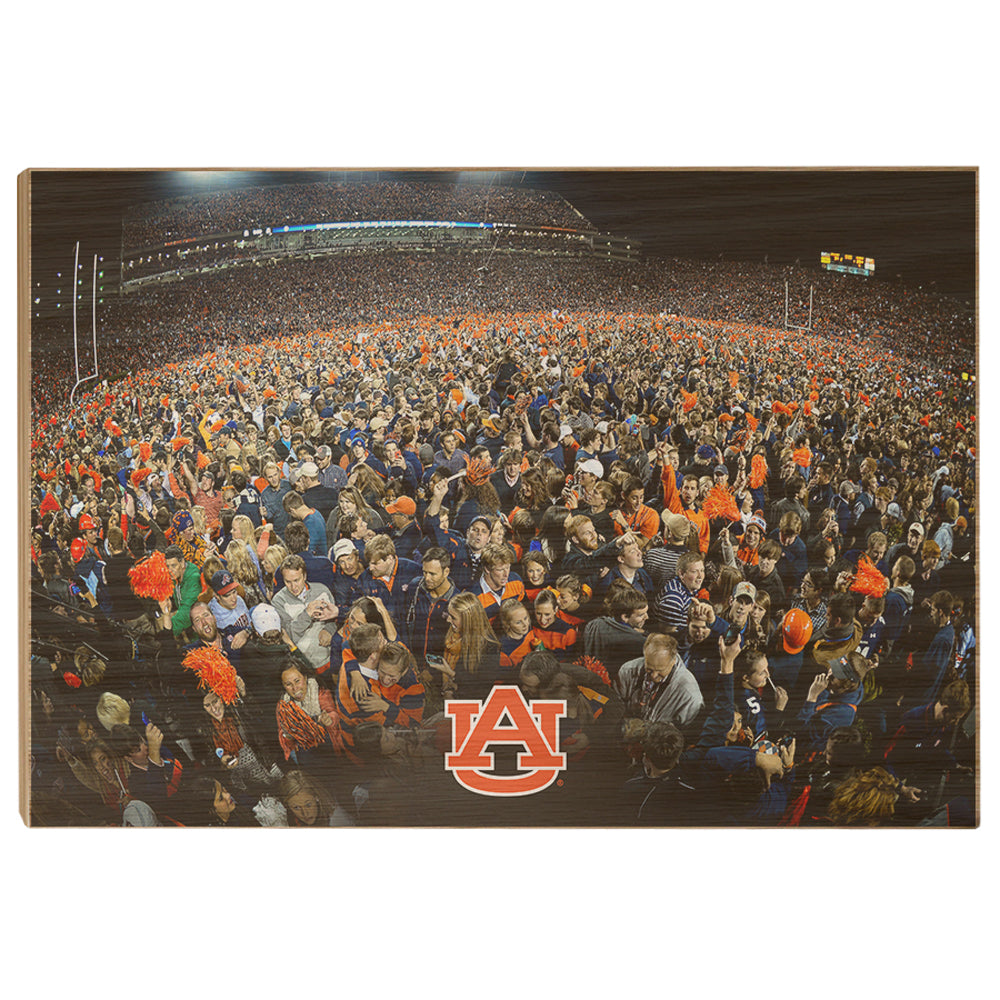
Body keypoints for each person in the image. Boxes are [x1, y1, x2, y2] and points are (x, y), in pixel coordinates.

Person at [615, 632, 704, 731]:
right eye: (649, 669)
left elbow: (685, 733)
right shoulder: (627, 670)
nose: (653, 676)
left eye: (660, 670)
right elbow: (616, 706)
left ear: (673, 661)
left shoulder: (689, 694)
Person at [271, 554, 339, 670]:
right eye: (288, 582)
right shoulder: (278, 601)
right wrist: (306, 614)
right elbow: (288, 635)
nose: (293, 587)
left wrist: (329, 629)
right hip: (303, 666)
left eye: (296, 580)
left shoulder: (322, 590)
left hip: (330, 660)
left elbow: (335, 618)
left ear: (304, 576)